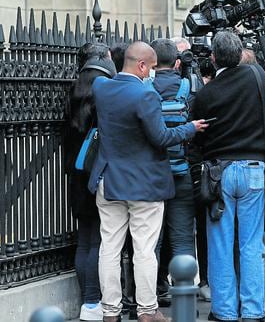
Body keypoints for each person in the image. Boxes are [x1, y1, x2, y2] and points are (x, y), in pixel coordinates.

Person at [89, 41, 208, 322]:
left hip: (109, 179)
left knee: (110, 247)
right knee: (144, 249)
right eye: (151, 68)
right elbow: (161, 138)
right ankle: (146, 310)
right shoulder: (145, 95)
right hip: (143, 183)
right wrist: (189, 128)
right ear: (142, 66)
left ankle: (110, 310)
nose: (152, 74)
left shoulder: (101, 88)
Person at [192, 31, 265, 322]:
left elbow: (198, 137)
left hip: (219, 172)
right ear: (240, 55)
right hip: (252, 169)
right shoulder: (256, 78)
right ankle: (253, 310)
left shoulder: (206, 93)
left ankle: (224, 310)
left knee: (221, 244)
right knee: (252, 244)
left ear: (212, 59)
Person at [64, 49, 116, 321]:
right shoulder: (104, 91)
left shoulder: (74, 90)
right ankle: (94, 301)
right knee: (98, 240)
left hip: (76, 174)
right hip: (97, 174)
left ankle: (88, 301)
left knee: (84, 240)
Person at [150, 38, 197, 306]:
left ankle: (151, 294)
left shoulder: (145, 88)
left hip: (154, 175)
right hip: (181, 172)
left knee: (151, 241)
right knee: (181, 238)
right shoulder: (187, 87)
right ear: (177, 62)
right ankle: (185, 297)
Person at [171, 36, 212, 302]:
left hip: (200, 164)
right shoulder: (164, 87)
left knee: (205, 225)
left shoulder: (203, 86)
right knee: (180, 228)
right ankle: (179, 279)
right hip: (180, 165)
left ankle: (206, 279)